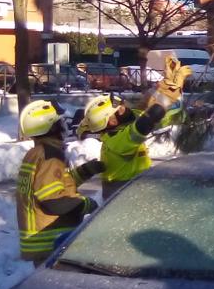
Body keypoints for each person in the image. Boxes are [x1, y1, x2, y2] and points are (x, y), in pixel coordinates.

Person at [77, 56, 191, 199]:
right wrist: (173, 89)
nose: (124, 107)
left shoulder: (121, 125)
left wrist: (165, 82)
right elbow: (150, 117)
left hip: (131, 191)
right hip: (123, 198)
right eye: (119, 109)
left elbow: (146, 105)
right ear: (111, 122)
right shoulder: (117, 141)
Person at [16, 100, 104, 265]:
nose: (63, 125)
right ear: (50, 127)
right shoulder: (51, 155)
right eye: (59, 122)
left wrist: (85, 171)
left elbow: (55, 184)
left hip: (38, 240)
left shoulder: (35, 154)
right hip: (50, 241)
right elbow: (54, 201)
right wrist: (86, 204)